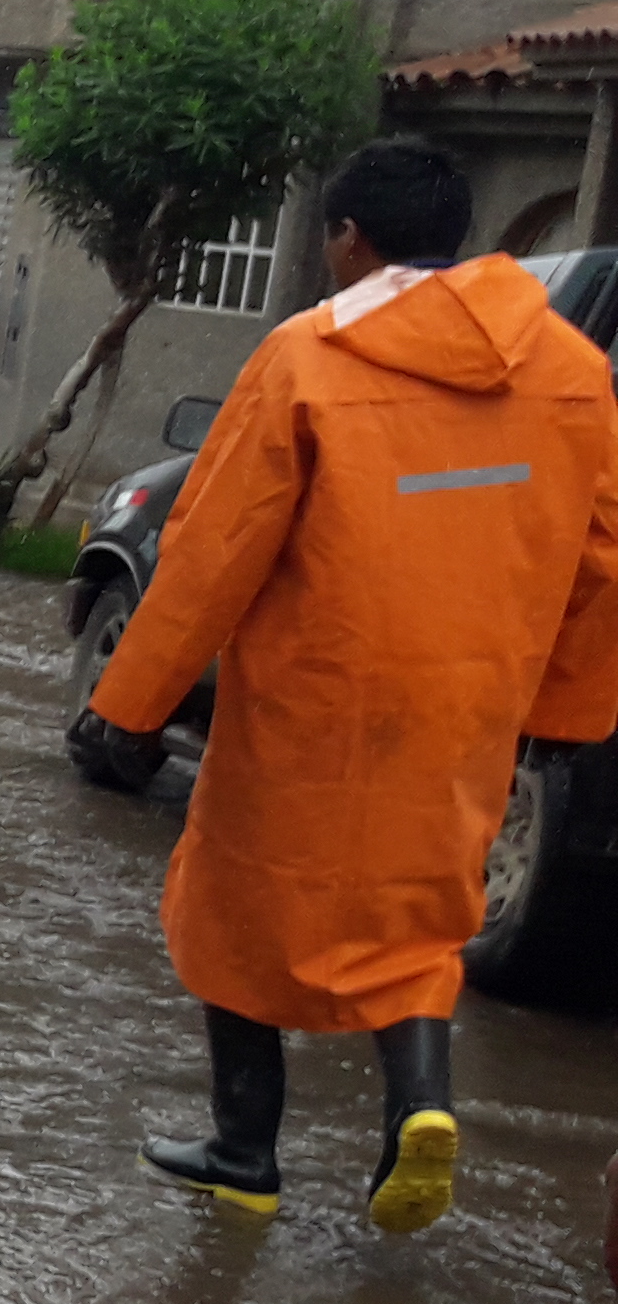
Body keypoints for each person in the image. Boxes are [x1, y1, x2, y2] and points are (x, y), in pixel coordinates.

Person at [80, 138, 618, 1229]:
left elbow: (213, 548)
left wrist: (128, 706)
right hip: (470, 704)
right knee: (420, 917)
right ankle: (418, 1109)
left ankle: (244, 1151)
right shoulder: (570, 371)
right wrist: (564, 711)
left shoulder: (310, 357)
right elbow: (603, 553)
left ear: (350, 238)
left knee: (235, 902)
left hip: (311, 699)